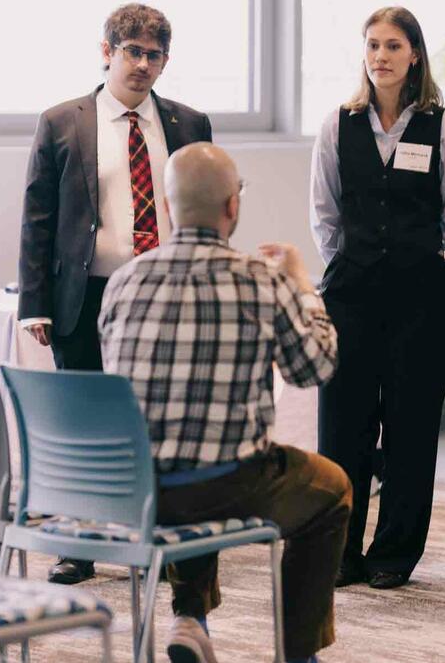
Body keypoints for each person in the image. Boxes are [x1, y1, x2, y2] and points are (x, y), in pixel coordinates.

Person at [99, 142, 351, 663]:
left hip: (135, 488)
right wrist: (303, 285)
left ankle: (190, 616)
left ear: (167, 206)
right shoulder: (260, 280)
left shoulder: (123, 282)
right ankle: (297, 653)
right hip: (226, 487)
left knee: (184, 450)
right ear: (232, 205)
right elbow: (316, 368)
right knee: (332, 490)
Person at [17, 3, 212, 584]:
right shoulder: (62, 122)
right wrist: (34, 304)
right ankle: (79, 545)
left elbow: (203, 210)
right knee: (83, 422)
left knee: (158, 419)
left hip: (164, 293)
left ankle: (157, 538)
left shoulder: (189, 124)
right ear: (107, 52)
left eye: (155, 55)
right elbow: (38, 218)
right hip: (87, 294)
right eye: (133, 51)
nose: (143, 64)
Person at [310, 6, 445, 590]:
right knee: (342, 429)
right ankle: (341, 552)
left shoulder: (443, 127)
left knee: (411, 429)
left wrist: (425, 269)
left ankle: (393, 554)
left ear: (415, 55)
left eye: (392, 45)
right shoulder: (337, 125)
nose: (380, 56)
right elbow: (325, 216)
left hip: (419, 302)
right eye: (372, 45)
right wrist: (358, 263)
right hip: (350, 299)